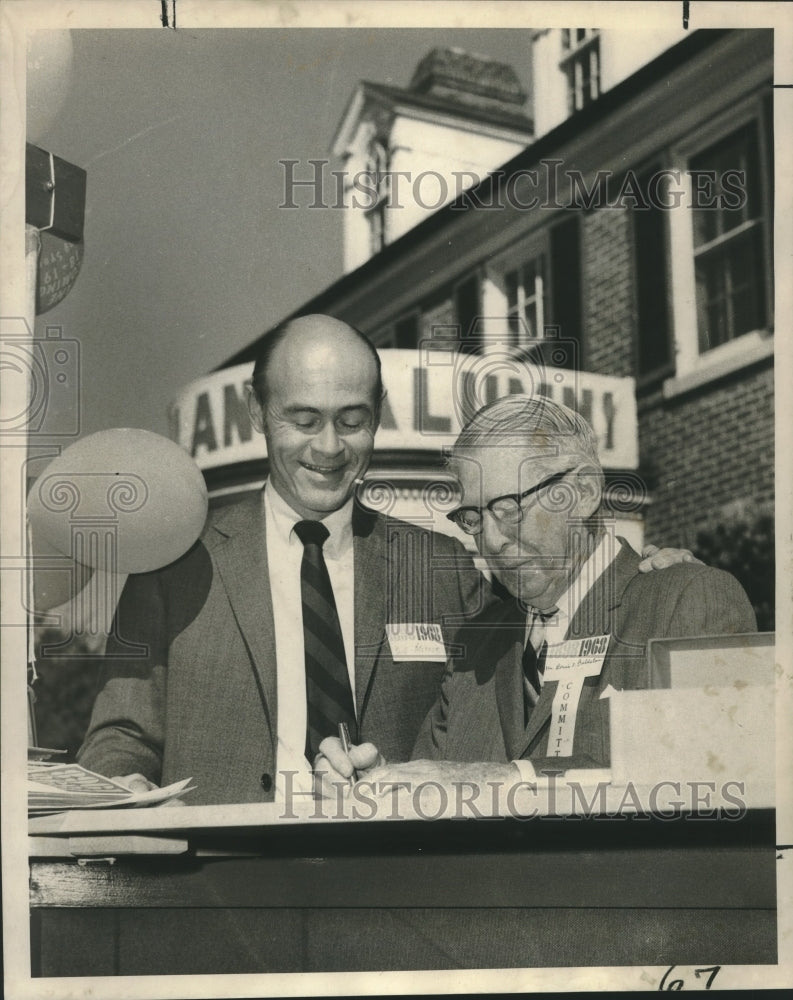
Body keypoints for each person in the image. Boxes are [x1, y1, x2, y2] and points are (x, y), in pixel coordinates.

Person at [78, 320, 695, 804]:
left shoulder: (444, 566)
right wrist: (130, 792)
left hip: (395, 893)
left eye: (353, 421)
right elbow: (117, 740)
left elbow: (543, 640)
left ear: (377, 416)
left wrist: (640, 577)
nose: (328, 447)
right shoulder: (177, 566)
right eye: (304, 419)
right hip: (224, 893)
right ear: (257, 412)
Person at [315, 395, 756, 794]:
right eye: (473, 517)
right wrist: (377, 782)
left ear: (582, 492)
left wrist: (512, 778)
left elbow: (717, 780)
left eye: (509, 509)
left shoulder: (688, 601)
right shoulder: (476, 648)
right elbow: (439, 782)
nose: (491, 539)